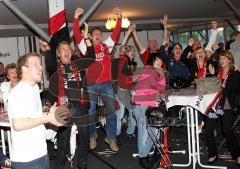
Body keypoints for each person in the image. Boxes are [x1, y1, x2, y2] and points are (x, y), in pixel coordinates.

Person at [73, 7, 122, 152]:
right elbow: (76, 34)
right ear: (91, 37)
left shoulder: (107, 46)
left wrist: (120, 18)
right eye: (95, 34)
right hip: (92, 84)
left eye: (99, 34)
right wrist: (76, 18)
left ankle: (111, 138)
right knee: (91, 112)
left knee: (112, 110)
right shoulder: (86, 49)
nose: (97, 36)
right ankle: (92, 136)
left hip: (106, 83)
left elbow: (116, 33)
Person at [7, 53, 62, 169]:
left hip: (41, 152)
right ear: (24, 69)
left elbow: (33, 115)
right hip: (27, 159)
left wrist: (49, 115)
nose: (41, 67)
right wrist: (47, 118)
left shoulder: (35, 88)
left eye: (40, 64)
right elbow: (18, 124)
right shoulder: (18, 92)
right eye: (35, 64)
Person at [204, 51, 240, 166]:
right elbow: (214, 89)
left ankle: (237, 155)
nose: (222, 61)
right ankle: (213, 154)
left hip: (227, 105)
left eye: (224, 58)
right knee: (208, 127)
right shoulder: (218, 73)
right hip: (215, 105)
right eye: (220, 59)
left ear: (230, 60)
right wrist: (213, 76)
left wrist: (228, 79)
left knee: (227, 129)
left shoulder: (235, 73)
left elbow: (234, 89)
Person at [132, 54, 166, 168]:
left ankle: (144, 154)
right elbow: (157, 87)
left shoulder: (158, 73)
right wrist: (161, 76)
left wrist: (161, 76)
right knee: (144, 134)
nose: (159, 61)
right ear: (152, 61)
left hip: (150, 106)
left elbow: (161, 90)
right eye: (157, 59)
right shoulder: (149, 70)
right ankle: (143, 157)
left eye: (160, 59)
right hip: (141, 106)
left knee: (154, 133)